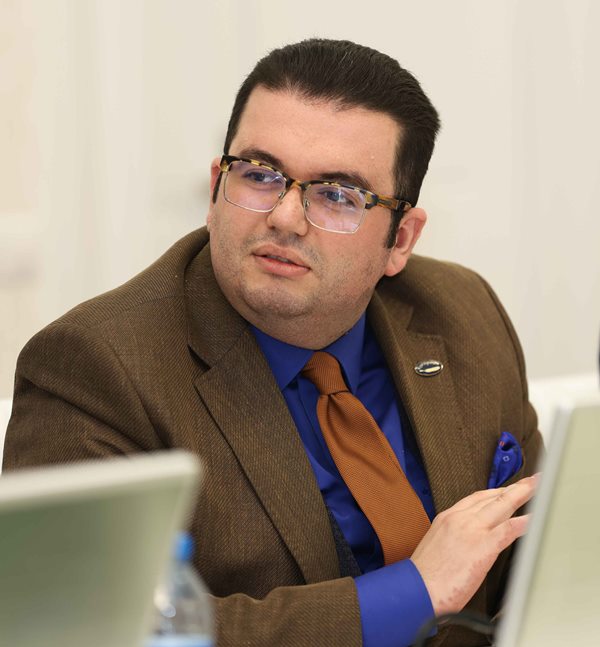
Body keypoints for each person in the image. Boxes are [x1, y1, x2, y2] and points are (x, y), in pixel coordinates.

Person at [3, 39, 542, 646]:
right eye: (260, 176)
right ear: (216, 189)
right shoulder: (95, 367)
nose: (285, 218)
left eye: (336, 194)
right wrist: (414, 592)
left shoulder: (462, 312)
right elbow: (83, 629)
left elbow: (541, 564)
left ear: (400, 241)